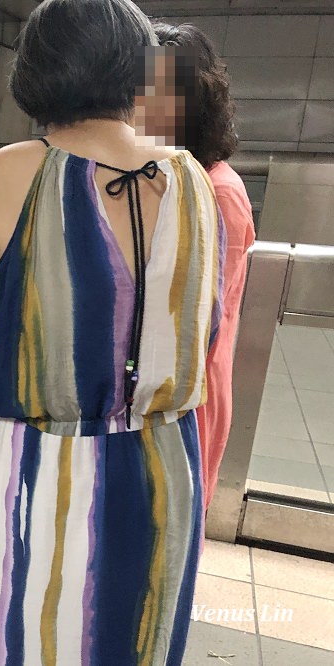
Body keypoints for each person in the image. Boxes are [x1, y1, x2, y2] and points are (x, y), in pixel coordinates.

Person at [0, 1, 224, 663]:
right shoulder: (192, 177)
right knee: (131, 643)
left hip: (46, 469)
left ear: (38, 70)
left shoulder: (18, 169)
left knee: (16, 641)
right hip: (168, 466)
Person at [143, 22, 255, 511]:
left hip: (191, 398)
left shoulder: (218, 190)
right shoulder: (164, 174)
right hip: (158, 386)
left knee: (171, 527)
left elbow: (195, 320)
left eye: (157, 93)